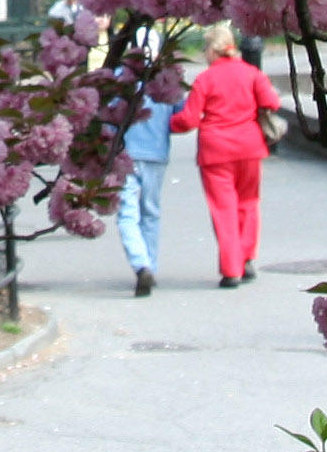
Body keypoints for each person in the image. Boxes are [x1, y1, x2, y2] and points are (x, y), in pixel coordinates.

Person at [180, 30, 284, 287]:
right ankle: (247, 259)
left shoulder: (205, 79)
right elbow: (272, 102)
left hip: (215, 151)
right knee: (248, 202)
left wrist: (168, 124)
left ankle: (231, 269)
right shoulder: (252, 73)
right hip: (249, 147)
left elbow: (189, 119)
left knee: (223, 208)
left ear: (212, 51)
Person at [115, 84, 176, 297]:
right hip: (156, 152)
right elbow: (180, 116)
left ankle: (141, 264)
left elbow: (108, 117)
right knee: (150, 212)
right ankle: (150, 265)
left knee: (127, 214)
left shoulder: (121, 79)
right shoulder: (166, 79)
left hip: (125, 153)